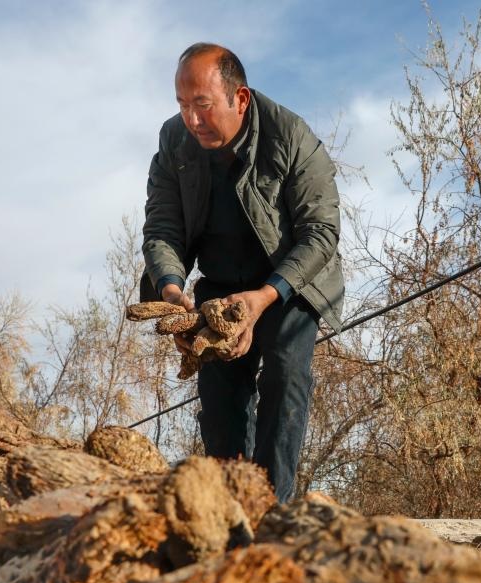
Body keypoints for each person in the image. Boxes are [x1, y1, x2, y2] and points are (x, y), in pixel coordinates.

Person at [139, 43, 344, 503]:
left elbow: (320, 233)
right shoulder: (173, 141)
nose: (192, 120)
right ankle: (230, 512)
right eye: (183, 106)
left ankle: (272, 511)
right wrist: (172, 291)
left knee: (285, 375)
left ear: (240, 99)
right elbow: (162, 227)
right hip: (219, 283)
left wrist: (263, 298)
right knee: (219, 403)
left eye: (203, 106)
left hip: (288, 281)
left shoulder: (293, 136)